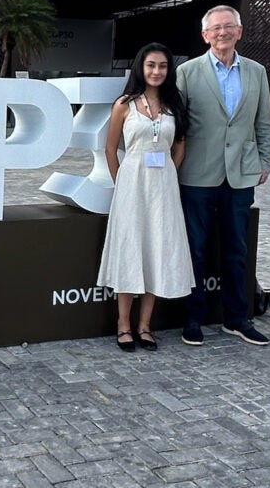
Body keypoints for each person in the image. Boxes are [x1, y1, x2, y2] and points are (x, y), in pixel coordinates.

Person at [176, 5, 270, 347]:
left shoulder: (256, 72)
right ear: (205, 35)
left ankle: (238, 318)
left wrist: (265, 160)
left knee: (237, 250)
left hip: (241, 174)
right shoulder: (187, 72)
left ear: (239, 31)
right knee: (196, 249)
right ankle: (193, 318)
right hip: (197, 174)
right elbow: (180, 126)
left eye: (228, 26)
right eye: (215, 28)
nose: (222, 32)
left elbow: (263, 119)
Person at [96, 43, 194, 353]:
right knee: (131, 249)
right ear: (141, 67)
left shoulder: (173, 106)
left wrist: (166, 173)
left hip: (163, 190)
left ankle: (145, 326)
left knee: (156, 250)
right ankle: (123, 325)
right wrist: (122, 181)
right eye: (151, 65)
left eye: (162, 66)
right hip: (132, 186)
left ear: (168, 70)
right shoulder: (124, 104)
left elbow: (179, 147)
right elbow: (111, 149)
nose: (156, 71)